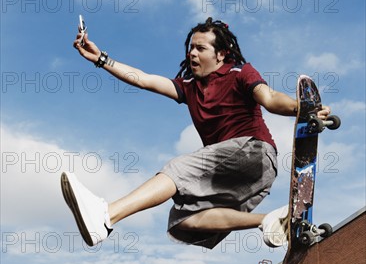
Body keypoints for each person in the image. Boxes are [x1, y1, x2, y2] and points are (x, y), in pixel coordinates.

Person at [61, 18, 331, 249]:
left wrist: (301, 109)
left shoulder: (240, 73)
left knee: (178, 169)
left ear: (221, 54)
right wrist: (101, 59)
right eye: (191, 47)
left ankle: (107, 216)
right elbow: (143, 79)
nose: (192, 53)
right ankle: (272, 221)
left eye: (200, 48)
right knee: (182, 222)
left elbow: (270, 98)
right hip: (242, 178)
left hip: (254, 153)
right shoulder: (188, 86)